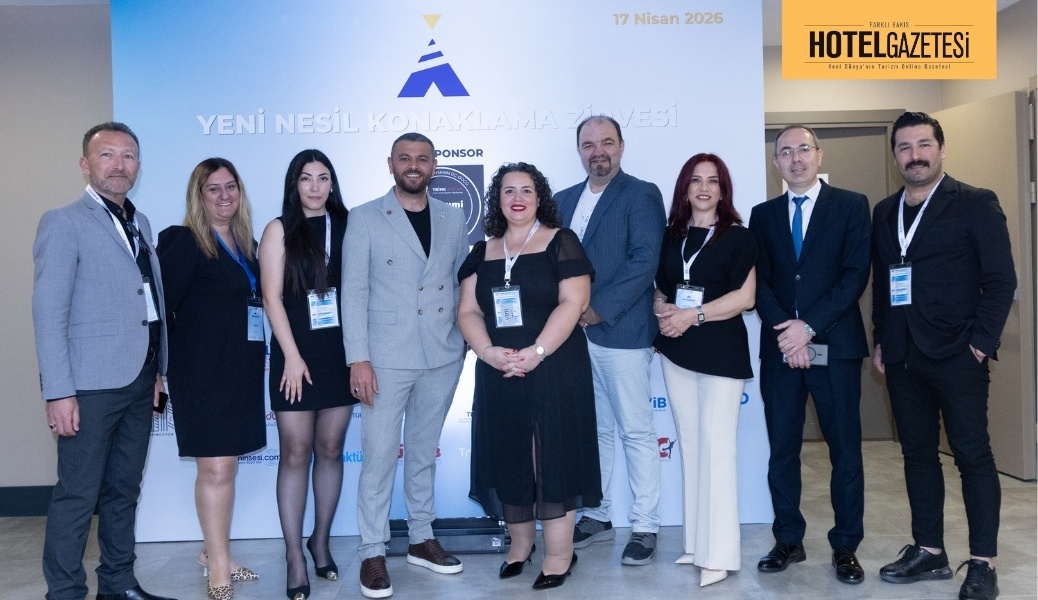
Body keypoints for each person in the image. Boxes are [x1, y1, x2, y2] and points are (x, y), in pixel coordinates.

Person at [871, 112, 1015, 600]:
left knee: (973, 456)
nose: (915, 155)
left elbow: (1001, 281)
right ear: (895, 156)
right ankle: (929, 551)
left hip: (958, 354)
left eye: (924, 144)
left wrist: (980, 344)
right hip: (902, 354)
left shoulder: (975, 202)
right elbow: (883, 283)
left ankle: (983, 563)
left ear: (941, 148)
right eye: (905, 147)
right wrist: (881, 338)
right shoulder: (885, 211)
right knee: (917, 455)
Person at [33, 122, 176, 600]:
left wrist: (157, 371)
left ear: (138, 166)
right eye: (107, 155)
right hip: (88, 387)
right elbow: (49, 313)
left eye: (128, 156)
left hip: (140, 379)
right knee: (77, 495)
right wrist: (58, 391)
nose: (119, 165)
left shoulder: (141, 223)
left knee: (124, 491)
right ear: (85, 164)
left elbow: (147, 301)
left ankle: (117, 584)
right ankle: (65, 592)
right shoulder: (63, 222)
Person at [458, 163, 601, 590]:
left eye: (526, 190)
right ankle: (520, 547)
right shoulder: (482, 251)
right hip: (500, 369)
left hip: (555, 367)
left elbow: (574, 303)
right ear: (497, 200)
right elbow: (468, 311)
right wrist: (488, 352)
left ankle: (559, 556)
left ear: (540, 198)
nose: (517, 198)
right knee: (509, 454)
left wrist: (537, 352)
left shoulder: (561, 241)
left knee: (553, 456)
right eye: (508, 191)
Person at [342, 132, 469, 599]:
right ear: (390, 164)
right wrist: (358, 358)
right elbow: (353, 291)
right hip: (384, 358)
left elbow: (460, 283)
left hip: (441, 354)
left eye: (422, 158)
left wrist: (464, 338)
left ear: (434, 165)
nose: (413, 165)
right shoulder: (364, 217)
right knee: (378, 457)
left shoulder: (453, 217)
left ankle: (421, 538)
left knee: (422, 453)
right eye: (404, 158)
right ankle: (372, 551)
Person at [748, 124, 871, 584]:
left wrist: (809, 328)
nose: (795, 158)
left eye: (803, 149)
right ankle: (788, 539)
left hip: (834, 347)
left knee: (845, 451)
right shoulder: (763, 215)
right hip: (781, 348)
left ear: (819, 156)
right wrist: (789, 333)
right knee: (782, 449)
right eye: (785, 152)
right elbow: (758, 281)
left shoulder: (852, 205)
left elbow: (855, 275)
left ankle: (846, 546)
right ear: (775, 163)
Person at [554, 115, 666, 565]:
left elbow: (645, 261)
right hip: (572, 337)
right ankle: (598, 515)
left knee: (636, 430)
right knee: (594, 429)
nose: (597, 151)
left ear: (621, 146)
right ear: (579, 150)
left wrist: (596, 309)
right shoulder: (562, 200)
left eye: (606, 142)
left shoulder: (641, 193)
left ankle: (645, 525)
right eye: (588, 144)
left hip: (621, 330)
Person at [157, 158, 266, 600]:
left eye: (230, 187)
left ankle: (212, 551)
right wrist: (156, 371)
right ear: (198, 197)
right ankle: (218, 566)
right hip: (200, 372)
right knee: (217, 468)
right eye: (213, 189)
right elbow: (161, 312)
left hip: (240, 370)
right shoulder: (183, 241)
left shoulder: (247, 244)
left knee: (227, 467)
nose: (224, 196)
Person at [652, 154, 757, 587]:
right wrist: (663, 310)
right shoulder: (671, 235)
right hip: (676, 349)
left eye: (713, 181)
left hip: (720, 352)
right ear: (685, 187)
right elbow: (661, 288)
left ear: (723, 189)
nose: (704, 188)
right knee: (692, 446)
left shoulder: (739, 236)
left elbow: (745, 298)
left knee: (717, 450)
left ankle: (720, 554)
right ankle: (697, 544)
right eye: (696, 180)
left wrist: (691, 316)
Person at [259, 149, 357, 600]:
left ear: (332, 184)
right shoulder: (278, 230)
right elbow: (271, 298)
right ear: (293, 185)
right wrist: (293, 357)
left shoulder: (350, 226)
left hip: (340, 354)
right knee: (296, 452)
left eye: (323, 178)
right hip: (293, 355)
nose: (315, 187)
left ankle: (320, 541)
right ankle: (294, 555)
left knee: (331, 449)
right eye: (306, 178)